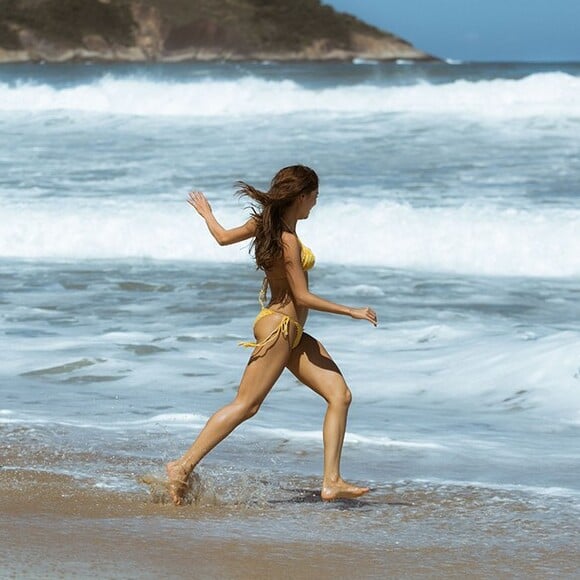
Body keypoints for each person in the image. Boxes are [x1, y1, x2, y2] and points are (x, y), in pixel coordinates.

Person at [166, 165, 377, 505]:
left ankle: (332, 481)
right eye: (315, 198)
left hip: (290, 331)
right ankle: (182, 466)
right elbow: (303, 297)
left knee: (339, 395)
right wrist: (350, 311)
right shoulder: (288, 240)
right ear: (302, 196)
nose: (315, 205)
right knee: (246, 405)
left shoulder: (264, 224)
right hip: (280, 327)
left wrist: (208, 214)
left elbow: (221, 237)